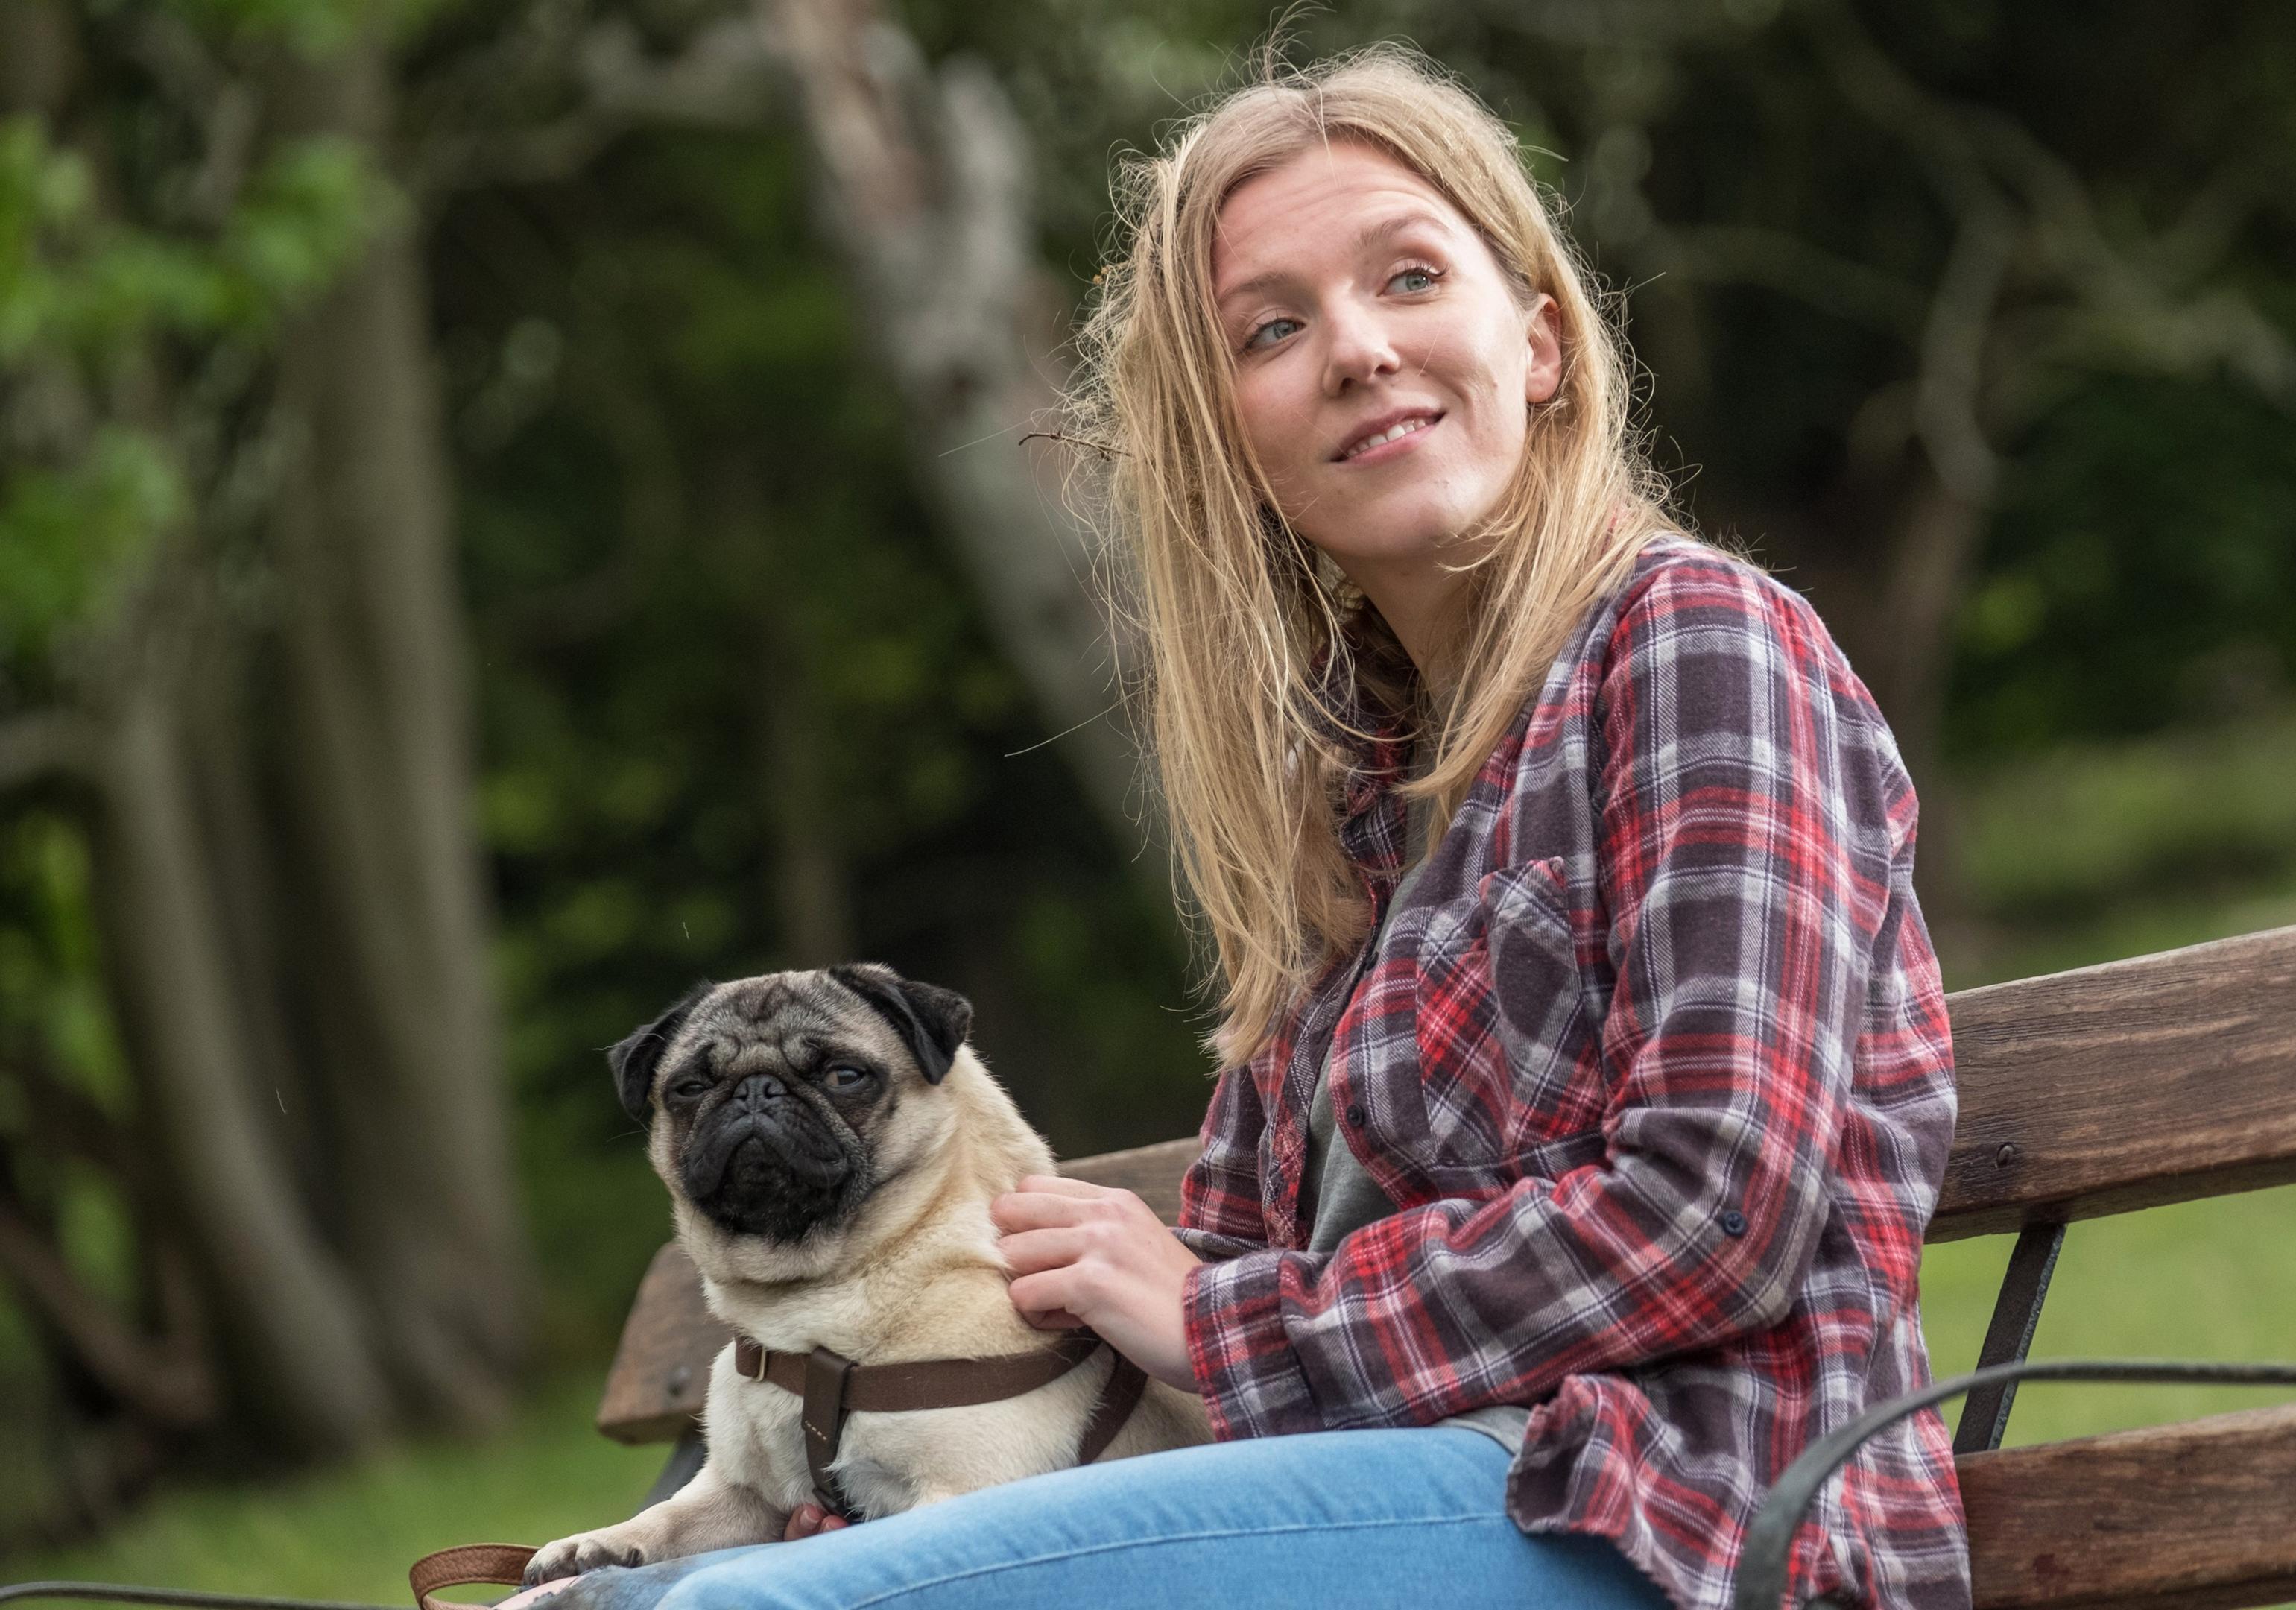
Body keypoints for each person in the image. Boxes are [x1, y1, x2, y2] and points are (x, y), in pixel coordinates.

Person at [612, 44, 1965, 1610]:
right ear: (1226, 434)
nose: (1357, 350)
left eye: (1408, 275)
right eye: (1275, 327)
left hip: (1671, 1512)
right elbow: (1241, 1266)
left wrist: (1231, 1329)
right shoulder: (1343, 790)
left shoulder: (1694, 647)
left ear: (1537, 340)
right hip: (1381, 1500)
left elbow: (1716, 1209)